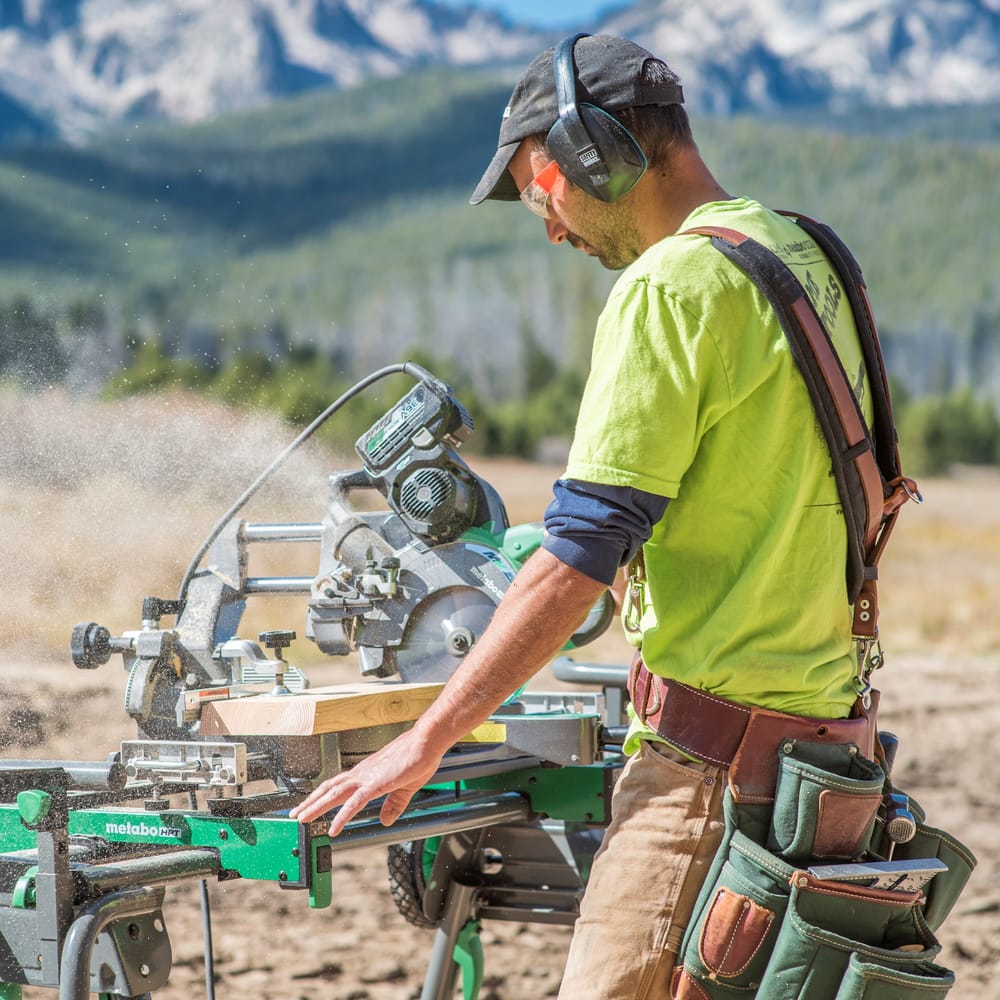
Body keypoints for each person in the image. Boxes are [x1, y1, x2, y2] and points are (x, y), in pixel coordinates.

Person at [291, 32, 875, 998]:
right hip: (828, 772)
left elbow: (575, 565)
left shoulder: (666, 289)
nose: (551, 225)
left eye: (542, 187)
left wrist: (425, 739)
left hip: (707, 780)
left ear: (601, 152)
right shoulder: (810, 252)